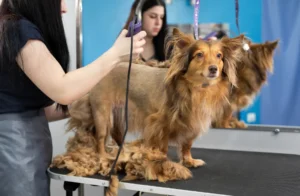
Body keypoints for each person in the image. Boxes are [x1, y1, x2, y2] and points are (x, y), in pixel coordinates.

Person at [0, 0, 146, 196]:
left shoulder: (12, 28)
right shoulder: (17, 29)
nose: (65, 8)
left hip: (24, 149)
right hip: (14, 153)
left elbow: (39, 111)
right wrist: (115, 55)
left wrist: (96, 104)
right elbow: (63, 89)